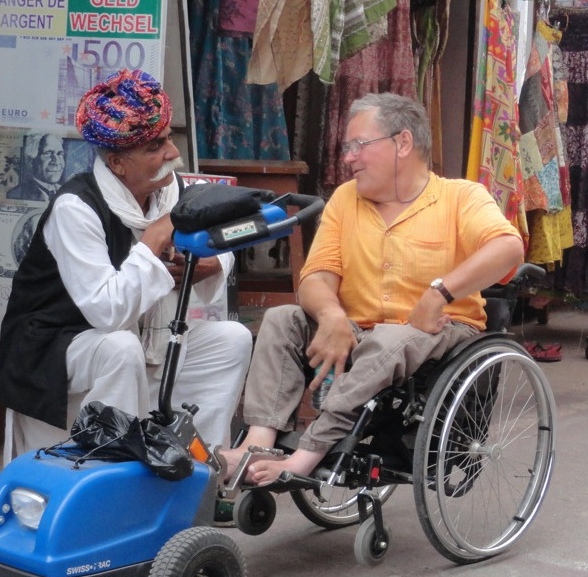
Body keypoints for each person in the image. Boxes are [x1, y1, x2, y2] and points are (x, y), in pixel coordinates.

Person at [223, 92, 525, 485]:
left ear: (403, 142)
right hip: (359, 329)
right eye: (347, 147)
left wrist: (437, 294)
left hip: (438, 332)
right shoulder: (346, 199)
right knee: (283, 319)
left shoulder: (460, 197)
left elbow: (508, 248)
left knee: (390, 340)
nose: (348, 158)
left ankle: (306, 456)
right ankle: (258, 442)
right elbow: (316, 277)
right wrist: (331, 315)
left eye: (359, 145)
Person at [0, 69, 252, 469]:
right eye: (155, 146)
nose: (172, 153)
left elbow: (220, 240)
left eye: (168, 138)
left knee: (231, 339)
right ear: (117, 162)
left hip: (144, 339)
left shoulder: (172, 190)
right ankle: (112, 473)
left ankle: (195, 468)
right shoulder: (75, 208)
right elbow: (107, 312)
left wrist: (211, 263)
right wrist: (155, 239)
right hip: (55, 347)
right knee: (120, 347)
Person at [6, 132, 66, 202]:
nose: (57, 162)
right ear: (31, 160)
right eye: (48, 153)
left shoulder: (66, 192)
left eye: (60, 153)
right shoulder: (16, 194)